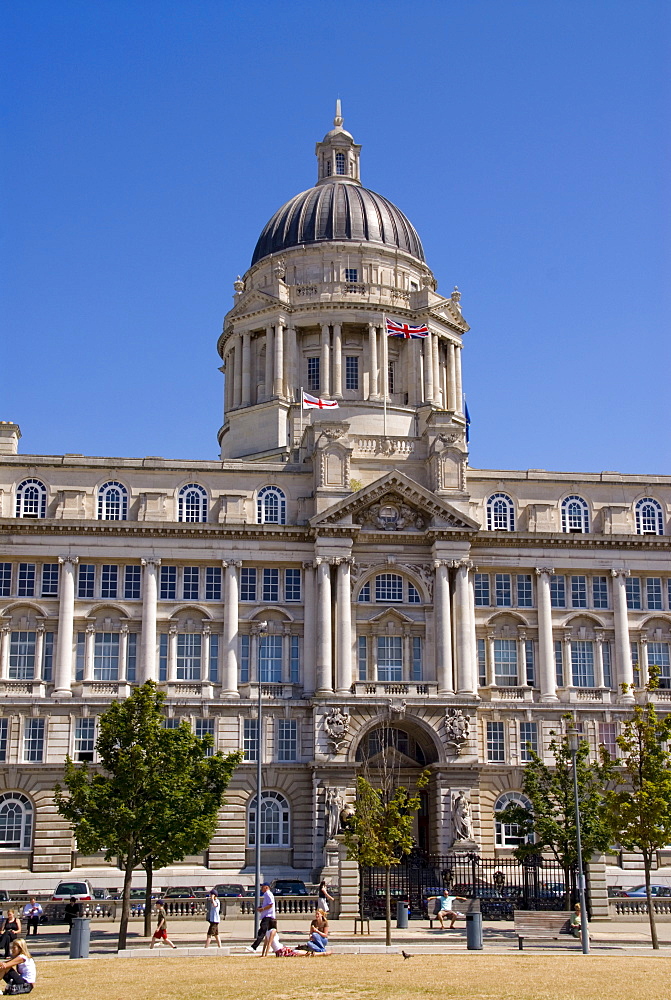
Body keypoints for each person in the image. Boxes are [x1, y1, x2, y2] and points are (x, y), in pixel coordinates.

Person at [246, 882, 276, 953]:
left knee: (262, 932)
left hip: (268, 916)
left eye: (262, 887)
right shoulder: (267, 894)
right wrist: (261, 908)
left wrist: (262, 909)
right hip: (268, 916)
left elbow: (270, 904)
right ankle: (276, 947)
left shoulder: (268, 894)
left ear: (266, 887)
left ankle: (254, 947)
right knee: (269, 932)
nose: (261, 888)